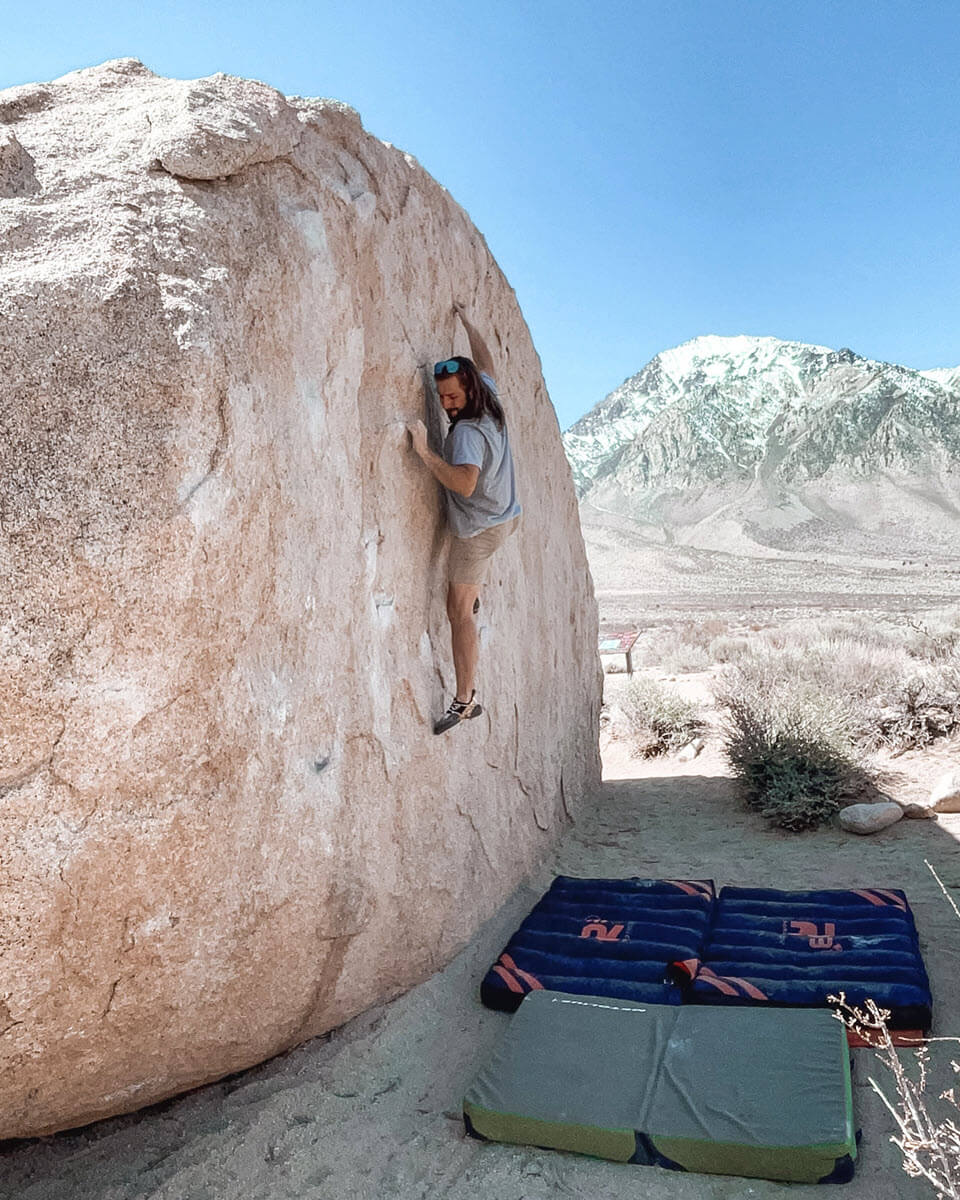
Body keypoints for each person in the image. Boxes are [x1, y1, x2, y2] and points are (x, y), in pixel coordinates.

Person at [407, 306, 521, 734]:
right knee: (467, 593)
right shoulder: (487, 395)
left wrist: (424, 452)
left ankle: (465, 700)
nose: (446, 404)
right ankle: (473, 591)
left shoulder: (469, 434)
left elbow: (465, 484)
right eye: (441, 397)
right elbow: (486, 361)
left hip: (478, 531)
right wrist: (469, 324)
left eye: (452, 397)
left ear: (468, 390)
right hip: (507, 515)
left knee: (458, 612)